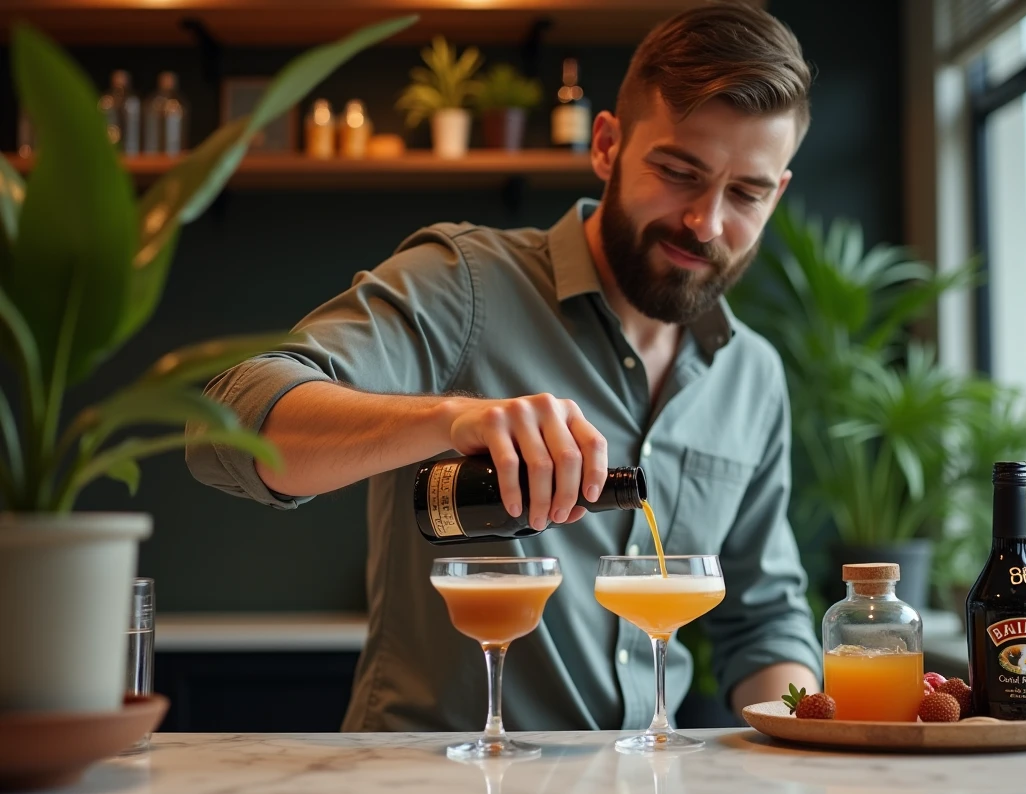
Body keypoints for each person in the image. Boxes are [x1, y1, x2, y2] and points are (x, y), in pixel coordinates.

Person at [186, 1, 821, 733]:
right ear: (607, 146)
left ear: (777, 193)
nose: (707, 222)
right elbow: (227, 429)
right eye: (679, 172)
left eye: (745, 193)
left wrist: (811, 727)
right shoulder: (464, 283)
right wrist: (450, 417)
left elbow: (764, 623)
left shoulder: (753, 376)